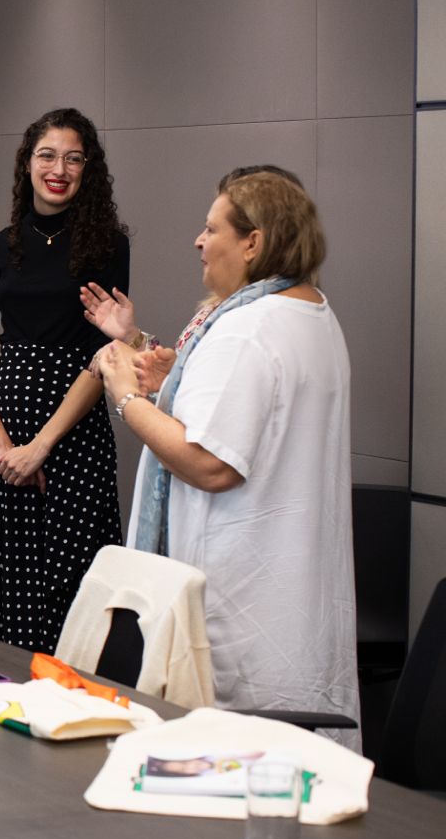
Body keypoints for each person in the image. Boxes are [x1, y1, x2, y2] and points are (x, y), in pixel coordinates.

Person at [94, 167, 358, 739]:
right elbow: (255, 419)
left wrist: (128, 398)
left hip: (242, 605)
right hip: (292, 605)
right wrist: (174, 383)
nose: (198, 240)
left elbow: (211, 464)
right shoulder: (311, 312)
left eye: (211, 228)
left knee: (236, 763)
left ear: (253, 242)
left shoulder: (247, 329)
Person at [0, 107, 129, 652]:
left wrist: (41, 447)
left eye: (73, 158)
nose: (59, 168)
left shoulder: (108, 245)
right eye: (47, 155)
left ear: (88, 170)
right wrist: (6, 448)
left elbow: (103, 355)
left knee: (72, 590)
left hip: (73, 435)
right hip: (2, 435)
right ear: (27, 164)